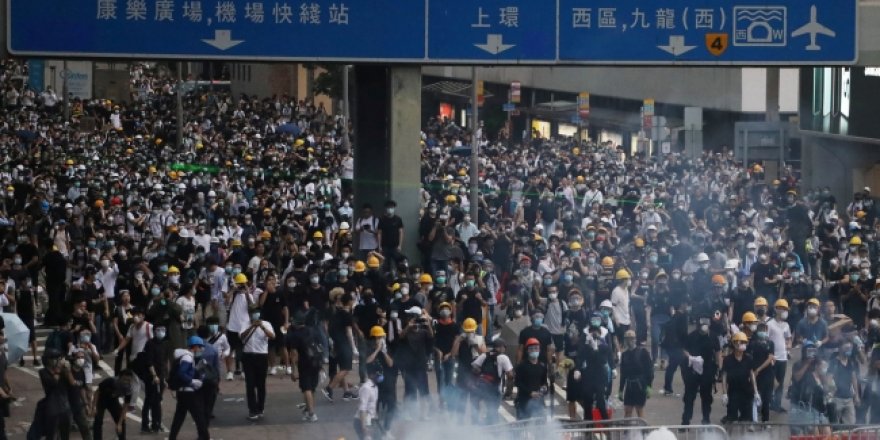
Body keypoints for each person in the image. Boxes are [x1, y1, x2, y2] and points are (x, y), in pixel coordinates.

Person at [681, 314, 722, 425]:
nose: (704, 326)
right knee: (689, 396)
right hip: (693, 369)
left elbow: (718, 353)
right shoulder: (692, 336)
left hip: (708, 369)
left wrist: (719, 369)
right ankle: (686, 420)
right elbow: (684, 349)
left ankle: (706, 419)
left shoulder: (713, 337)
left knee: (706, 397)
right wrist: (690, 357)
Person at [168, 336, 211, 440]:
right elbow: (181, 373)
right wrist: (192, 381)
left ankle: (172, 437)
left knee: (179, 417)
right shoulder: (188, 357)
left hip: (182, 392)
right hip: (189, 393)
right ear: (195, 346)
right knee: (199, 416)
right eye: (200, 347)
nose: (201, 349)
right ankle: (204, 437)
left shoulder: (183, 356)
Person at [240, 305, 275, 421]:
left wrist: (262, 327)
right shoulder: (245, 323)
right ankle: (252, 410)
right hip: (248, 356)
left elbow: (272, 336)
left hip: (261, 356)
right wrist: (251, 327)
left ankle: (260, 408)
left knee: (261, 384)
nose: (254, 315)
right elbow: (241, 336)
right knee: (250, 384)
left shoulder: (266, 324)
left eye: (256, 312)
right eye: (252, 313)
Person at [287, 311, 323, 422]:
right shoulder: (313, 330)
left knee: (306, 388)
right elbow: (320, 345)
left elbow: (294, 354)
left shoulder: (295, 335)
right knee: (312, 388)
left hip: (304, 363)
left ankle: (312, 413)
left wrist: (293, 370)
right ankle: (308, 409)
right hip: (316, 362)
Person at [470, 338, 514, 425]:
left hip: (481, 387)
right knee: (493, 411)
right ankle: (492, 432)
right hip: (495, 389)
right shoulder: (503, 357)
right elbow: (510, 375)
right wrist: (509, 391)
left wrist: (481, 373)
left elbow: (474, 367)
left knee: (477, 410)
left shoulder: (485, 355)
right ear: (501, 348)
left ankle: (477, 428)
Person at [720, 332, 758, 423]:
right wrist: (724, 393)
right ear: (734, 343)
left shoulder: (748, 359)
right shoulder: (728, 360)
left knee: (746, 419)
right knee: (732, 418)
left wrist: (756, 392)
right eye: (740, 342)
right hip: (733, 392)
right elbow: (724, 377)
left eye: (744, 342)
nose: (742, 345)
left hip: (746, 392)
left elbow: (751, 375)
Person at [92, 369, 135, 440]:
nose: (126, 382)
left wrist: (120, 423)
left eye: (129, 381)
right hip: (101, 400)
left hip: (113, 401)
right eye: (125, 380)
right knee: (98, 420)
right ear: (119, 377)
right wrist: (93, 407)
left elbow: (126, 405)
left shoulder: (128, 389)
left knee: (121, 420)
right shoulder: (110, 381)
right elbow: (97, 392)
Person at [618, 329, 653, 418]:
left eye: (631, 338)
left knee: (639, 409)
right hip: (629, 385)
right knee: (627, 410)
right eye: (627, 339)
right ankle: (627, 432)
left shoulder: (643, 352)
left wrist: (649, 386)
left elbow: (649, 370)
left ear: (635, 339)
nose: (629, 341)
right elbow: (623, 373)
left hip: (640, 385)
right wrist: (621, 389)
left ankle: (643, 431)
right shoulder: (624, 355)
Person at [767, 298, 793, 412]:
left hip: (783, 357)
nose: (784, 311)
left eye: (786, 309)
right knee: (771, 381)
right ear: (776, 309)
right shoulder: (770, 324)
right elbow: (766, 340)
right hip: (773, 357)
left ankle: (777, 404)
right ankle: (768, 402)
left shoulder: (786, 325)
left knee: (781, 382)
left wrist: (789, 345)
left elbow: (789, 338)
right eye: (782, 309)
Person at [514, 337, 548, 420]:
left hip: (538, 401)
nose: (534, 351)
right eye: (531, 349)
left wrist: (545, 388)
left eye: (536, 348)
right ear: (527, 351)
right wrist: (530, 393)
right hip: (524, 400)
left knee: (541, 425)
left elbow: (544, 382)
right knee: (523, 426)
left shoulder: (542, 366)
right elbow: (517, 382)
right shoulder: (522, 366)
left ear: (539, 350)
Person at [353, 364, 383, 440]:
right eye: (378, 374)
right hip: (362, 421)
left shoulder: (375, 386)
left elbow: (373, 405)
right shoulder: (366, 388)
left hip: (371, 420)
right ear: (371, 375)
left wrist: (375, 418)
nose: (380, 376)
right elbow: (363, 408)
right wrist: (364, 427)